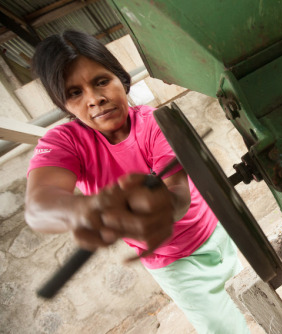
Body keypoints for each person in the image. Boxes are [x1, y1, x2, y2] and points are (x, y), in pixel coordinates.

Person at [24, 29, 250, 334]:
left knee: (250, 299)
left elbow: (179, 193)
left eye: (101, 81)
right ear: (64, 104)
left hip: (215, 233)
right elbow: (40, 205)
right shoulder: (66, 142)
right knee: (224, 329)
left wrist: (162, 207)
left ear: (120, 78)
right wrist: (86, 209)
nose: (95, 99)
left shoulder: (154, 122)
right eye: (74, 93)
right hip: (174, 264)